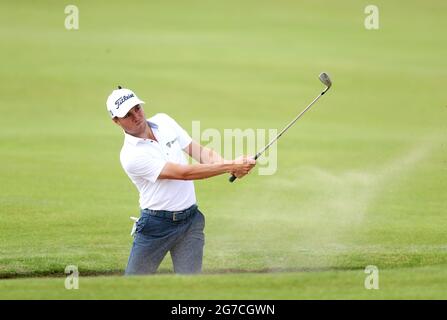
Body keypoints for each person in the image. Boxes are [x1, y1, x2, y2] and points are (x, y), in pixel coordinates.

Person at [106, 87, 256, 275]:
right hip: (156, 226)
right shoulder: (131, 155)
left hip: (190, 222)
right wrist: (230, 166)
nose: (136, 116)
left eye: (137, 108)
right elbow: (184, 173)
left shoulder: (164, 121)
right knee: (134, 285)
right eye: (127, 115)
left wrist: (232, 166)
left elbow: (202, 153)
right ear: (116, 121)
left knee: (190, 287)